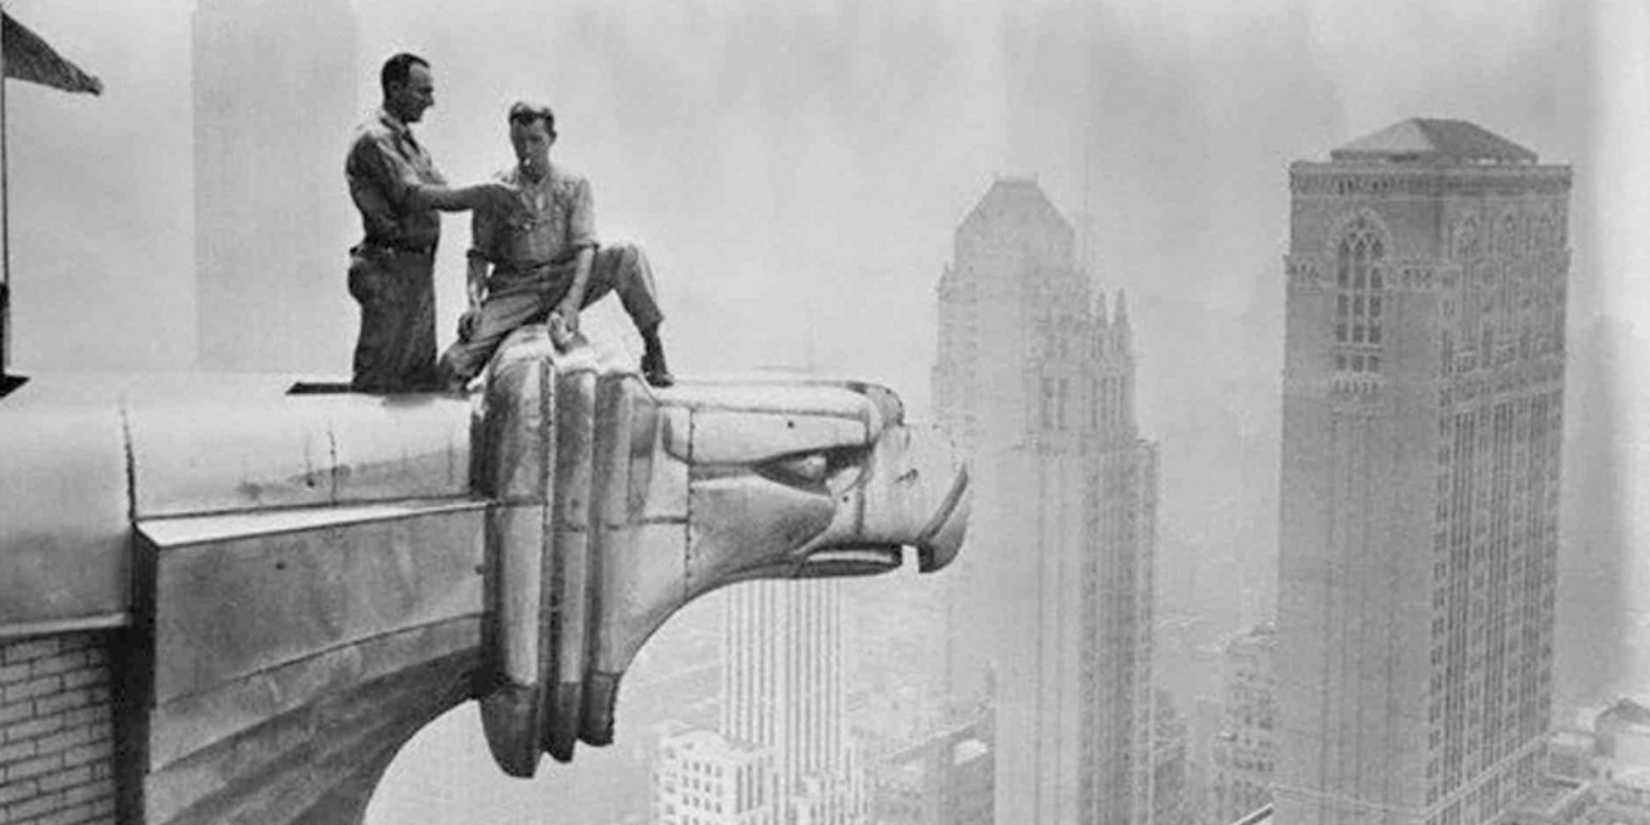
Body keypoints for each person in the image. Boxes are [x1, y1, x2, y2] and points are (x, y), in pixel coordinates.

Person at [437, 101, 674, 390]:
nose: (526, 149)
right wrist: (473, 304)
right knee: (451, 366)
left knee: (627, 255)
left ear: (552, 139)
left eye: (535, 140)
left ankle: (653, 347)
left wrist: (572, 302)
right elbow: (478, 254)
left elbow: (585, 247)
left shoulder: (573, 185)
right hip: (516, 290)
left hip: (563, 280)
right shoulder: (495, 189)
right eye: (518, 141)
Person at [345, 52, 519, 392]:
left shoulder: (408, 143)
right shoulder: (375, 140)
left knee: (416, 380)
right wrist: (482, 195)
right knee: (380, 382)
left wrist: (490, 192)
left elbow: (443, 188)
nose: (431, 101)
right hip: (389, 273)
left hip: (414, 272)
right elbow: (414, 195)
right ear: (395, 89)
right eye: (423, 91)